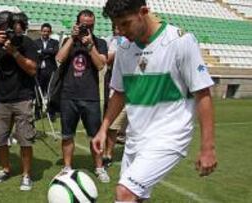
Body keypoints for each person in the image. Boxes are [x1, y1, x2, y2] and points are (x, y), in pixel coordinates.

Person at [92, 0, 217, 202]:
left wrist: (207, 148)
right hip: (135, 138)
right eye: (117, 25)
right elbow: (120, 93)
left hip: (169, 136)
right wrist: (104, 128)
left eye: (125, 23)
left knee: (125, 193)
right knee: (137, 198)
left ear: (143, 12)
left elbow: (203, 94)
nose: (121, 31)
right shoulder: (124, 49)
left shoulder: (180, 41)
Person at [0, 11, 37, 191]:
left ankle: (26, 175)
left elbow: (32, 70)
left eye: (16, 30)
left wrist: (14, 52)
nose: (13, 33)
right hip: (1, 98)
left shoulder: (27, 43)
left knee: (25, 140)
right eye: (9, 30)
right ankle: (5, 169)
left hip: (23, 97)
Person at [55, 9, 110, 183]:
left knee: (95, 135)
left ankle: (99, 167)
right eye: (83, 24)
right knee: (67, 135)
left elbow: (101, 65)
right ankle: (67, 167)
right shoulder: (68, 40)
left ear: (94, 24)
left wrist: (90, 46)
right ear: (77, 23)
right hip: (68, 95)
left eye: (90, 24)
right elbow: (59, 58)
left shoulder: (99, 42)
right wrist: (72, 38)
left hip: (90, 96)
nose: (87, 26)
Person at [103, 24, 128, 168]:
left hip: (135, 85)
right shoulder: (109, 40)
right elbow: (107, 60)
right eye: (114, 26)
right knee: (113, 124)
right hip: (116, 85)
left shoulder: (134, 40)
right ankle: (108, 154)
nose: (116, 28)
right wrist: (119, 51)